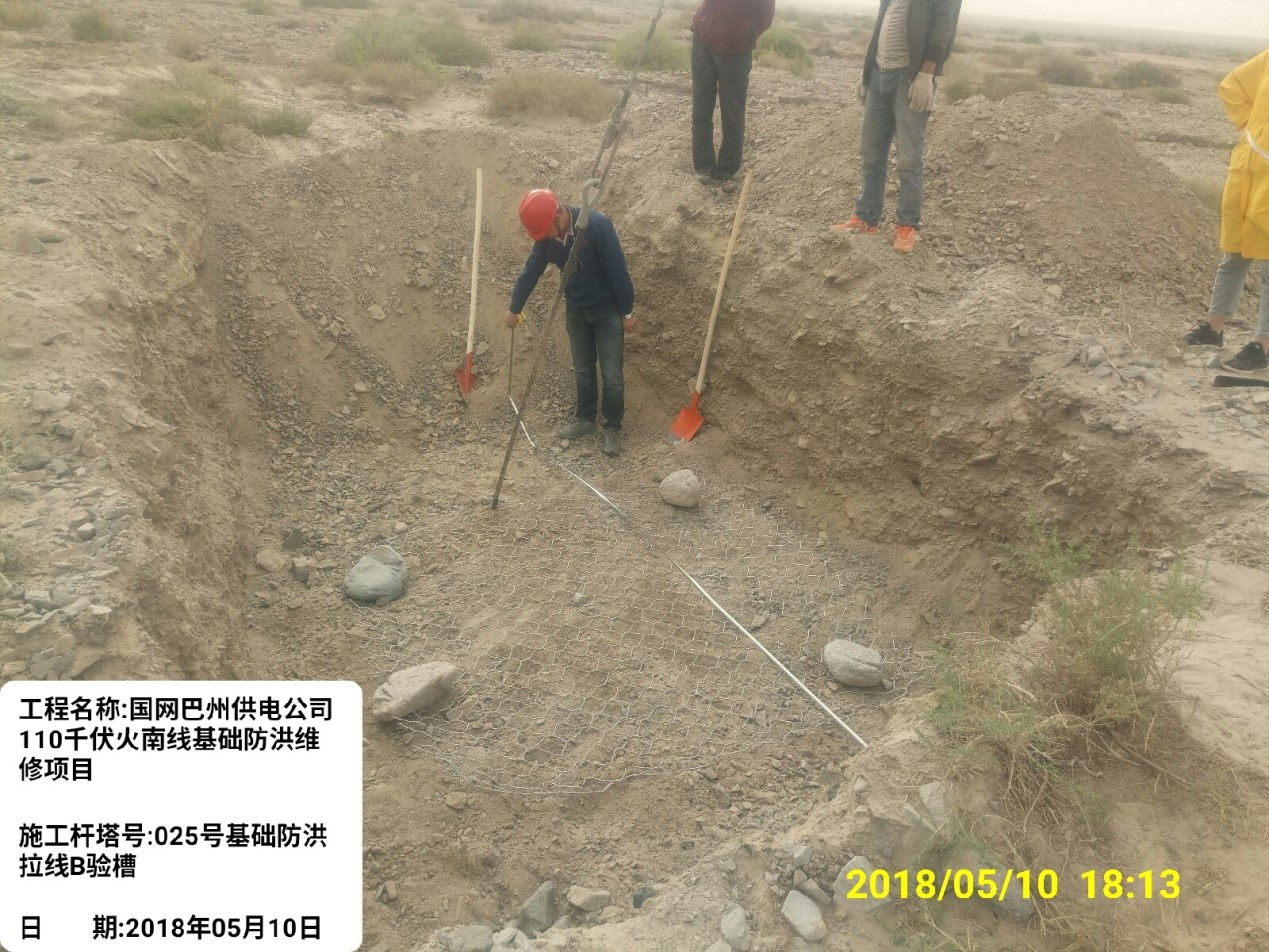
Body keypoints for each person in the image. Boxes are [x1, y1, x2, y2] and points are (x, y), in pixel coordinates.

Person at [505, 189, 637, 457]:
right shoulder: (546, 240)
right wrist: (514, 309)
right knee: (583, 370)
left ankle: (612, 427)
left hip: (607, 311)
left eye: (543, 231)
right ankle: (585, 418)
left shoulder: (596, 225)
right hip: (576, 310)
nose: (541, 238)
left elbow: (618, 270)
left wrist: (627, 312)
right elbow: (531, 271)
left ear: (557, 217)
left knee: (612, 375)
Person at [831, 0, 961, 253]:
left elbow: (944, 24)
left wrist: (928, 72)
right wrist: (866, 72)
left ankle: (906, 225)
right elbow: (883, 20)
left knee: (909, 158)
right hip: (879, 73)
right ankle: (866, 218)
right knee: (871, 153)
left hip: (911, 77)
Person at [1185, 49, 1269, 373]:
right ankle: (1214, 329)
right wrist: (1254, 128)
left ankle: (1262, 346)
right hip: (1247, 171)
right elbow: (1231, 86)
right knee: (1233, 255)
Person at [690, 0, 775, 192]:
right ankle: (703, 167)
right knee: (701, 109)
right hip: (704, 41)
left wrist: (745, 35)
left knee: (733, 114)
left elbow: (766, 15)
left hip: (737, 50)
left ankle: (727, 172)